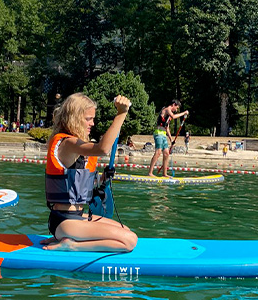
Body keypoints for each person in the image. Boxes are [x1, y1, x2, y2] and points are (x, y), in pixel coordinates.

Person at [42, 93, 138, 252]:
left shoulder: (76, 148)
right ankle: (71, 244)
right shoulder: (66, 143)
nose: (92, 123)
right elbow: (102, 149)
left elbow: (78, 186)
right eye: (88, 119)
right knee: (129, 242)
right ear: (74, 118)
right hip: (65, 220)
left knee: (126, 231)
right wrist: (121, 114)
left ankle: (66, 237)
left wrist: (102, 178)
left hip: (76, 218)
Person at [147, 100, 189, 177]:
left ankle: (164, 174)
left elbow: (167, 128)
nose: (176, 110)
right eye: (176, 108)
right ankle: (150, 173)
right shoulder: (167, 109)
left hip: (163, 135)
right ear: (173, 104)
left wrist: (171, 139)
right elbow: (173, 116)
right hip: (158, 133)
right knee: (158, 152)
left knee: (166, 153)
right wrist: (184, 113)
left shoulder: (168, 117)